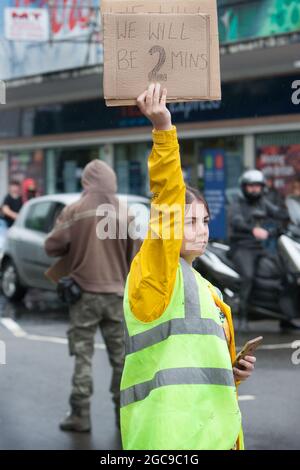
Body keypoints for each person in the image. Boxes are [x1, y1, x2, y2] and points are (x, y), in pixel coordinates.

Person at [120, 84, 256, 451]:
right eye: (190, 221)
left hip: (217, 438)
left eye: (205, 221)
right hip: (167, 441)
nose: (202, 231)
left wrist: (233, 373)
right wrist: (163, 128)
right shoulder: (155, 275)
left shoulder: (205, 288)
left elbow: (194, 369)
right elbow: (167, 197)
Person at [45, 159, 139, 432]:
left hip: (83, 294)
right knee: (122, 360)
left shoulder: (75, 210)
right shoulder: (127, 212)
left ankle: (80, 415)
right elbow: (137, 256)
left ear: (86, 182)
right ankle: (126, 417)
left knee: (83, 356)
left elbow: (52, 246)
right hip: (118, 296)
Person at [229, 169, 298, 332]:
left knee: (284, 273)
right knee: (248, 277)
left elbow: (278, 212)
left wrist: (289, 216)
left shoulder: (263, 202)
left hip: (259, 248)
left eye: (257, 186)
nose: (254, 189)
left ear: (262, 188)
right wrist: (252, 230)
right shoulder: (237, 203)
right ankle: (242, 317)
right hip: (242, 247)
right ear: (244, 187)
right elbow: (236, 220)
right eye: (251, 186)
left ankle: (285, 319)